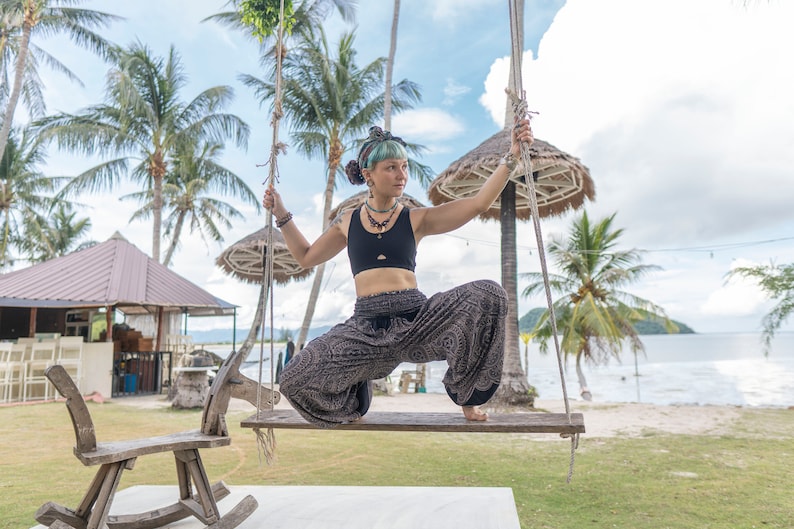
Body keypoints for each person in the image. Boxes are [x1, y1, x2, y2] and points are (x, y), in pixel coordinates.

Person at [263, 118, 534, 428]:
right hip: (365, 330)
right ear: (369, 175)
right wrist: (281, 214)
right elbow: (307, 257)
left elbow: (478, 203)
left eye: (404, 167)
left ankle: (469, 397)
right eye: (391, 167)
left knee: (489, 293)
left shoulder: (416, 219)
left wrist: (511, 156)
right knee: (294, 378)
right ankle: (355, 395)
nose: (401, 174)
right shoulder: (347, 222)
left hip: (417, 321)